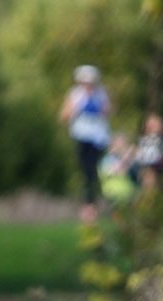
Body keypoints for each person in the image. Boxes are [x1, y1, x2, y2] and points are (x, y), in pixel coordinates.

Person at [59, 66, 111, 222]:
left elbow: (109, 111)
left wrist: (104, 110)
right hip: (82, 137)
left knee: (95, 171)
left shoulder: (101, 94)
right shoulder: (75, 95)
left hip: (98, 138)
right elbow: (63, 116)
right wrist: (74, 110)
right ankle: (89, 206)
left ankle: (93, 204)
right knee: (87, 171)